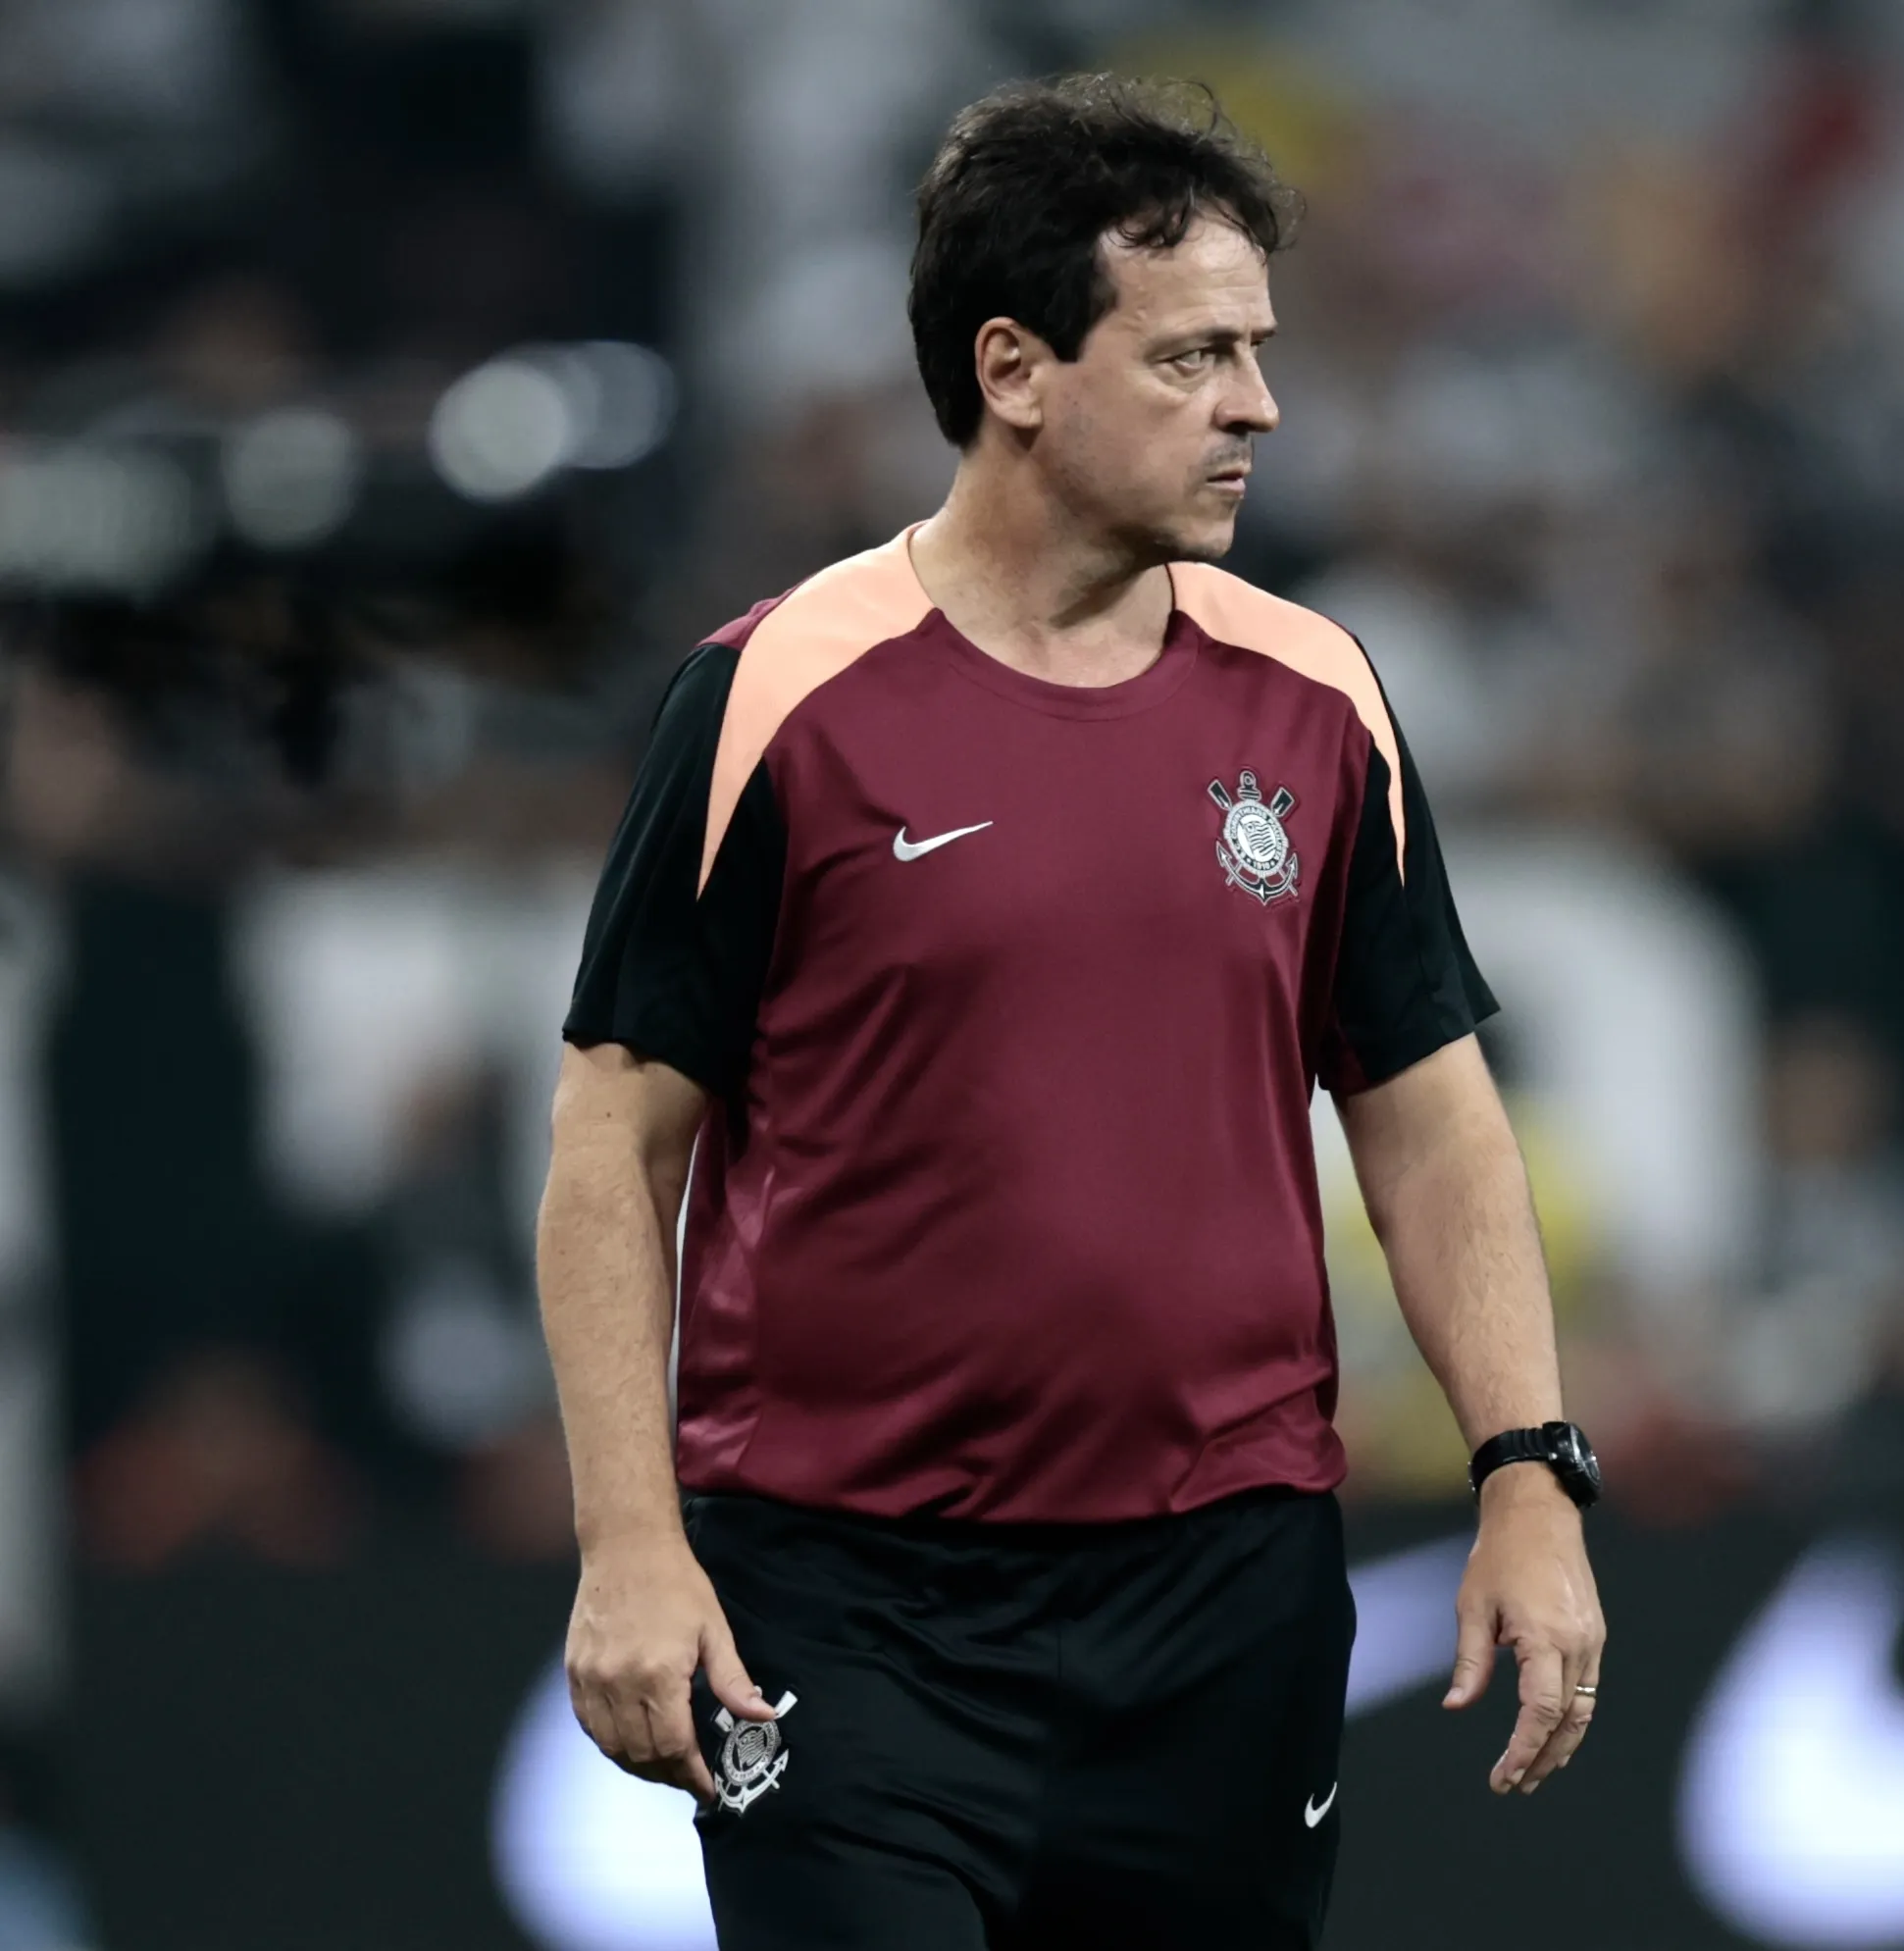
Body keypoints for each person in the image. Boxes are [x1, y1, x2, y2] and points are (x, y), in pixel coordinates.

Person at [535, 76, 1606, 1950]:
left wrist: (1528, 1470)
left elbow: (1433, 1123)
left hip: (1225, 1607)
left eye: (1257, 353)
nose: (1258, 406)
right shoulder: (777, 700)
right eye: (1193, 357)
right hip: (847, 1609)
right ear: (1014, 369)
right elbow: (613, 1148)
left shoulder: (1318, 697)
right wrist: (630, 1540)